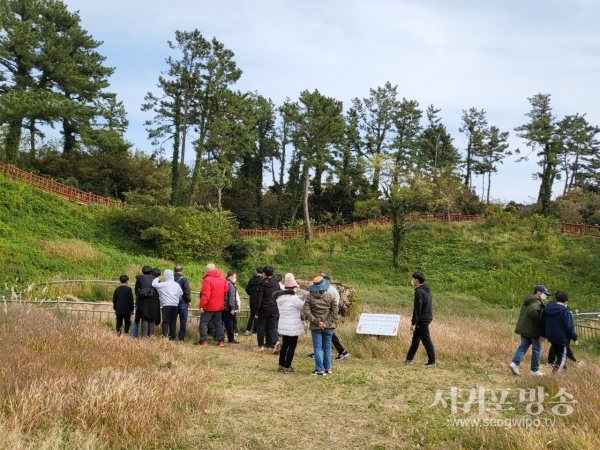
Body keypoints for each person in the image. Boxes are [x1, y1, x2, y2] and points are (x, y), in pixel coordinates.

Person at [307, 274, 350, 361]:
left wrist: (324, 322)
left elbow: (330, 306)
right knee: (330, 336)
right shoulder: (331, 290)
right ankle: (341, 352)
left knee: (327, 338)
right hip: (329, 318)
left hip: (327, 317)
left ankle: (339, 351)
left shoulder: (329, 291)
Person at [509, 284, 549, 376]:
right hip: (533, 330)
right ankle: (534, 370)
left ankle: (515, 363)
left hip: (524, 328)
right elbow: (533, 312)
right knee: (537, 349)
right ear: (538, 292)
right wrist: (539, 322)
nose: (545, 296)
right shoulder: (536, 302)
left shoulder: (528, 300)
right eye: (544, 293)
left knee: (523, 346)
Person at [303, 276, 338, 376]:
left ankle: (319, 369)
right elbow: (335, 311)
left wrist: (318, 322)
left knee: (317, 348)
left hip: (315, 326)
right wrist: (326, 323)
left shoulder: (309, 297)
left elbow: (307, 313)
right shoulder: (330, 296)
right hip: (329, 326)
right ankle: (328, 368)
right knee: (327, 347)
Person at [540, 291, 578, 373]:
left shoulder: (546, 309)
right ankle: (555, 374)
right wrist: (574, 338)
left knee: (558, 353)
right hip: (562, 337)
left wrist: (542, 335)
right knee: (562, 357)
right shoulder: (565, 311)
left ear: (555, 299)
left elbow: (543, 322)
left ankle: (562, 371)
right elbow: (569, 326)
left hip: (551, 335)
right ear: (566, 302)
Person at [404, 272, 436, 368]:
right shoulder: (426, 291)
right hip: (426, 317)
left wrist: (414, 322)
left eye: (413, 279)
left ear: (417, 280)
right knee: (415, 339)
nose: (412, 281)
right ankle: (409, 359)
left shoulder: (419, 292)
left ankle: (432, 361)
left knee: (426, 340)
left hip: (422, 320)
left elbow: (417, 308)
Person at [274, 273, 305, 373]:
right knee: (292, 346)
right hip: (292, 325)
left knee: (285, 345)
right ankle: (287, 366)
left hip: (283, 324)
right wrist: (305, 299)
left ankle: (281, 365)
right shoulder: (293, 298)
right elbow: (302, 306)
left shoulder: (280, 298)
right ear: (293, 287)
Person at [197, 264, 228, 347]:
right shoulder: (223, 278)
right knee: (218, 323)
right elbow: (226, 290)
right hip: (219, 305)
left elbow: (205, 295)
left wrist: (201, 305)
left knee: (203, 322)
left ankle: (203, 341)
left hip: (209, 306)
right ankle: (221, 341)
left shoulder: (207, 280)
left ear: (207, 270)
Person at [254, 265, 280, 353]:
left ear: (263, 273)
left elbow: (259, 299)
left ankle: (260, 346)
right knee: (272, 327)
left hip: (263, 308)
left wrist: (256, 311)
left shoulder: (261, 283)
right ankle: (276, 342)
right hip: (274, 308)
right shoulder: (276, 283)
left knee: (261, 327)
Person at [152, 269, 183, 340]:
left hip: (166, 305)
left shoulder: (164, 284)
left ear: (165, 275)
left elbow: (154, 284)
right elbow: (181, 293)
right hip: (175, 305)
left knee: (166, 321)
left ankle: (165, 336)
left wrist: (156, 278)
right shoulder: (177, 285)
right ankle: (172, 336)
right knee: (173, 321)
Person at [136, 267, 161, 337]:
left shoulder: (140, 278)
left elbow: (136, 290)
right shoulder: (157, 280)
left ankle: (143, 337)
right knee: (151, 319)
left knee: (144, 318)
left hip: (143, 300)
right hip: (154, 300)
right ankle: (151, 336)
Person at [133, 265, 153, 338]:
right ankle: (150, 335)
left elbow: (136, 291)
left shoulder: (139, 279)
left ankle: (135, 335)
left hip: (140, 300)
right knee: (150, 318)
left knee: (138, 319)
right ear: (150, 272)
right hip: (151, 302)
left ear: (142, 271)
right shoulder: (153, 279)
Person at [174, 265, 191, 341]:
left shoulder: (171, 279)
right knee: (183, 320)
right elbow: (186, 291)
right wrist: (189, 300)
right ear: (182, 270)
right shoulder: (184, 279)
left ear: (174, 270)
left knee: (172, 319)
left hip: (173, 302)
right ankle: (181, 337)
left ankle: (172, 335)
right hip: (183, 302)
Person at [244, 267, 263, 335]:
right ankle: (255, 331)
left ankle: (247, 330)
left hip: (252, 300)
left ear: (256, 271)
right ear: (263, 272)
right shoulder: (263, 280)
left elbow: (247, 289)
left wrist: (251, 294)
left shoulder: (251, 279)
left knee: (252, 315)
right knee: (257, 315)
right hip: (259, 300)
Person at [224, 270, 241, 344]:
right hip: (228, 307)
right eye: (234, 277)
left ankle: (218, 337)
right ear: (230, 276)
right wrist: (232, 308)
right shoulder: (230, 285)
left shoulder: (223, 282)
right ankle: (231, 338)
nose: (235, 278)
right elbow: (231, 297)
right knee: (229, 323)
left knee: (219, 323)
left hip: (221, 306)